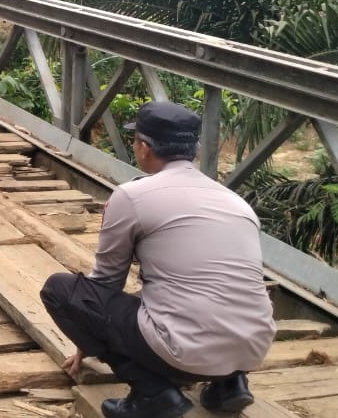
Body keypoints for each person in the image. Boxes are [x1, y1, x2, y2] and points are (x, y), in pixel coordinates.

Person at [40, 101, 276, 418]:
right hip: (254, 345)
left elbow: (105, 285)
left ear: (145, 148)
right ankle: (230, 384)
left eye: (135, 140)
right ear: (193, 149)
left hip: (183, 351)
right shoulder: (236, 202)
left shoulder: (132, 196)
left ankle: (153, 394)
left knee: (60, 290)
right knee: (215, 290)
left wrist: (85, 337)